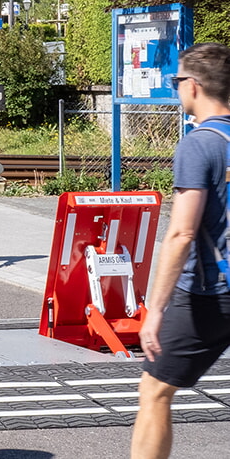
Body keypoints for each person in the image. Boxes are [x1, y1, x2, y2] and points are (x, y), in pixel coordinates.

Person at [131, 42, 230, 459]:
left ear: (192, 86)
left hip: (209, 293)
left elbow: (181, 233)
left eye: (176, 82)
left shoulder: (199, 144)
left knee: (154, 390)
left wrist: (155, 308)